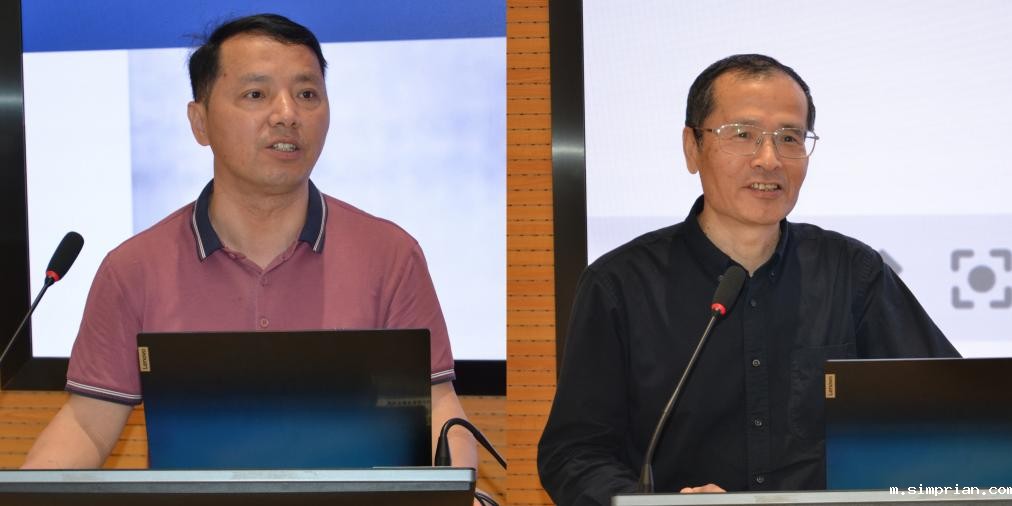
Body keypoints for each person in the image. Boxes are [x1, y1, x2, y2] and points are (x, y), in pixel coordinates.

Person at [22, 13, 477, 473]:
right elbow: (87, 425)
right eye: (256, 94)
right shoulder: (134, 269)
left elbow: (438, 410)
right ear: (200, 122)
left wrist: (465, 491)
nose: (287, 114)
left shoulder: (390, 255)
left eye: (307, 94)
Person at [537, 54, 959, 505]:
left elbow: (954, 412)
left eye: (789, 138)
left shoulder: (853, 272)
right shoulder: (620, 285)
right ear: (692, 147)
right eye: (743, 134)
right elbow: (574, 453)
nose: (769, 159)